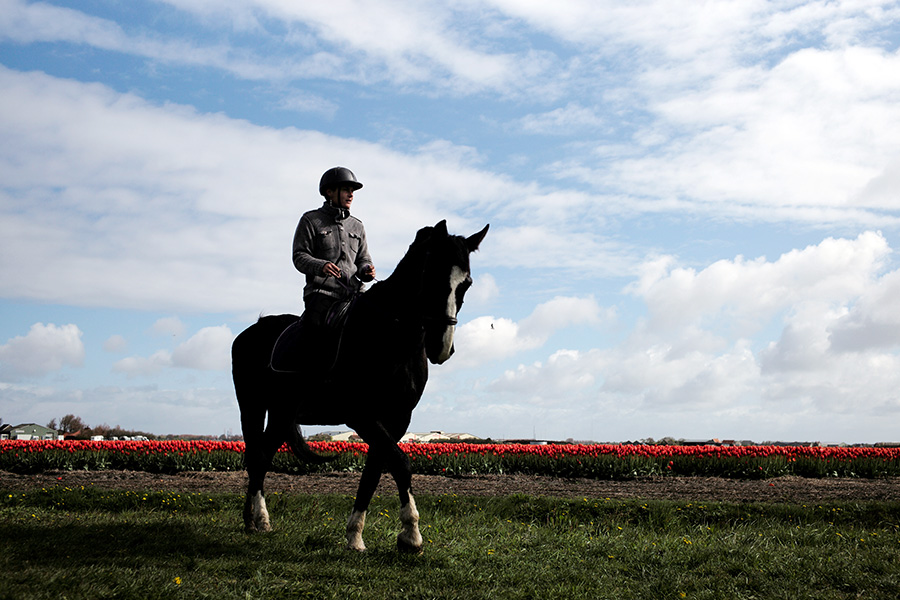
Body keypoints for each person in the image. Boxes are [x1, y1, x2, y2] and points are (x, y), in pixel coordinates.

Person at [292, 166, 376, 329]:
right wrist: (321, 266)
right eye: (346, 190)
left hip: (355, 295)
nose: (351, 195)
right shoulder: (310, 220)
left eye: (352, 191)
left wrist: (366, 270)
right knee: (311, 334)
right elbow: (299, 256)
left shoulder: (357, 225)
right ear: (329, 192)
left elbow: (363, 259)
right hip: (321, 295)